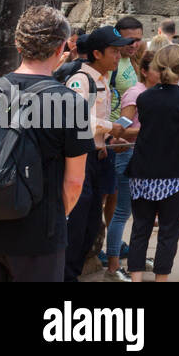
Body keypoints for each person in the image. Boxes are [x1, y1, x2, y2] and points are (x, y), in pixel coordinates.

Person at [0, 7, 92, 282]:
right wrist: (57, 219)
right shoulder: (73, 105)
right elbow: (74, 184)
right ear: (62, 47)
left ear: (17, 43)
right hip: (40, 233)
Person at [63, 25, 136, 282]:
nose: (118, 56)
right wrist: (111, 128)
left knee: (92, 222)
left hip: (98, 156)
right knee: (78, 221)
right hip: (80, 159)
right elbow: (75, 119)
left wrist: (106, 140)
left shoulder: (103, 80)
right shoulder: (80, 80)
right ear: (96, 53)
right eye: (114, 52)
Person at [126, 44, 179, 283]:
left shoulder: (145, 98)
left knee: (140, 230)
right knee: (168, 234)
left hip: (143, 170)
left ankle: (135, 278)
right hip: (174, 174)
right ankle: (161, 280)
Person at [101, 16, 147, 280]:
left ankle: (113, 245)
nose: (134, 44)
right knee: (112, 199)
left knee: (117, 198)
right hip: (115, 136)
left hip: (126, 137)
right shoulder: (113, 64)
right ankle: (110, 251)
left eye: (138, 39)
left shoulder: (135, 60)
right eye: (129, 40)